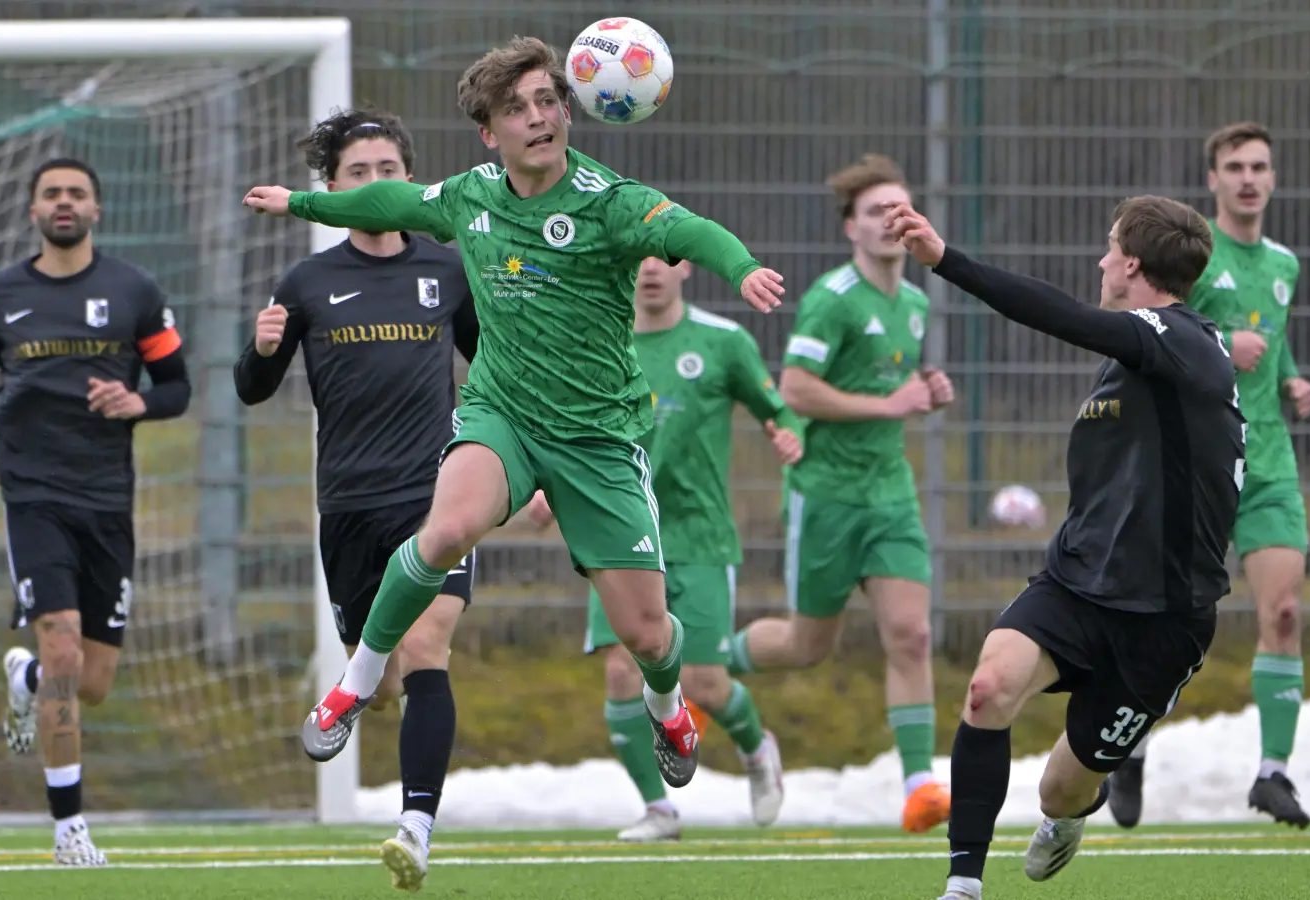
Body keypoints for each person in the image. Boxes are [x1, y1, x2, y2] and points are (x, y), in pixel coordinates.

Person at [242, 35, 784, 791]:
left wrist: (744, 265)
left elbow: (691, 232)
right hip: (502, 413)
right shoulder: (473, 195)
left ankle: (670, 707)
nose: (537, 117)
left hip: (597, 438)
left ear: (569, 109)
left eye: (546, 101)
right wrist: (300, 201)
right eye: (514, 108)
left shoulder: (612, 204)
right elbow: (390, 201)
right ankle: (354, 686)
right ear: (489, 133)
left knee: (647, 634)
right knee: (447, 529)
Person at [883, 195, 1243, 898]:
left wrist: (944, 260)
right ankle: (963, 883)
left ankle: (1079, 806)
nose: (1101, 260)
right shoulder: (1139, 357)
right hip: (1076, 584)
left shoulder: (1178, 340)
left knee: (1060, 790)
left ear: (1133, 264)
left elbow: (1056, 314)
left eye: (1110, 248)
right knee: (988, 690)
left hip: (1164, 619)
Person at [233, 108, 479, 890]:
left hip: (434, 494)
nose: (377, 184)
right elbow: (252, 389)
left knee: (426, 651)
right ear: (331, 188)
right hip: (346, 504)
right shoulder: (308, 281)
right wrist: (263, 347)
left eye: (389, 170)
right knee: (381, 676)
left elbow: (499, 366)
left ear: (412, 179)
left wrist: (515, 466)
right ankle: (356, 694)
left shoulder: (447, 268)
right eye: (359, 173)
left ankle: (416, 826)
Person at [0, 158, 191, 865]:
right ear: (32, 211)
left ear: (97, 209)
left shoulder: (134, 291)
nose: (64, 202)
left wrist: (139, 402)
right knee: (62, 644)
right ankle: (69, 830)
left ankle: (24, 679)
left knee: (87, 681)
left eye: (77, 193)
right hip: (33, 497)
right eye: (51, 193)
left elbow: (177, 385)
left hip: (107, 501)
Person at [527, 257, 801, 840]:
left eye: (663, 259)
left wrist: (784, 432)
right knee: (624, 674)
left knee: (702, 684)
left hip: (699, 537)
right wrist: (548, 486)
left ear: (685, 270)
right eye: (636, 260)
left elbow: (776, 411)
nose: (649, 270)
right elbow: (564, 426)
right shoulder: (597, 340)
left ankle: (756, 749)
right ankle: (660, 809)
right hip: (616, 534)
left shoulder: (723, 342)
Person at [722, 154, 957, 833]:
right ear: (851, 228)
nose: (891, 220)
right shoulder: (831, 298)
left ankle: (918, 786)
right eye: (875, 211)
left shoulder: (914, 304)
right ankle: (712, 667)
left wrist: (927, 396)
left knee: (911, 636)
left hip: (890, 496)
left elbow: (895, 392)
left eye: (900, 208)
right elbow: (796, 389)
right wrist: (891, 406)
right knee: (805, 646)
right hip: (826, 497)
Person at [1107, 121, 1310, 830]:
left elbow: (1273, 346)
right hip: (1197, 463)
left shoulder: (1285, 263)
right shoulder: (1191, 254)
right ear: (1214, 179)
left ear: (1274, 177)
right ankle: (1128, 743)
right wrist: (1229, 342)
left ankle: (1272, 773)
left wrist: (1290, 380)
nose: (1249, 177)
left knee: (1284, 611)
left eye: (1260, 165)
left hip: (1271, 463)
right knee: (1168, 627)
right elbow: (1151, 328)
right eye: (1235, 166)